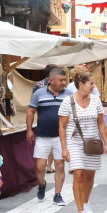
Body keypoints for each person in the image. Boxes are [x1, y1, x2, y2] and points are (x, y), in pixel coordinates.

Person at [58, 71, 107, 213]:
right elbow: (61, 126)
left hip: (92, 142)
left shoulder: (95, 101)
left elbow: (101, 123)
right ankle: (80, 210)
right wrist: (64, 148)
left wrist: (106, 143)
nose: (93, 86)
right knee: (78, 174)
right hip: (74, 142)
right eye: (91, 83)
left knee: (89, 176)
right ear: (81, 84)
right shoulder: (68, 102)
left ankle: (86, 202)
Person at [26, 67, 73, 205]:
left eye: (65, 79)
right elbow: (30, 111)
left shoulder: (69, 95)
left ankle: (57, 194)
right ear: (51, 81)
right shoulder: (39, 93)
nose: (64, 82)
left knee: (59, 164)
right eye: (61, 80)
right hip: (42, 136)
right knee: (40, 166)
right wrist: (29, 130)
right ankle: (42, 184)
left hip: (61, 137)